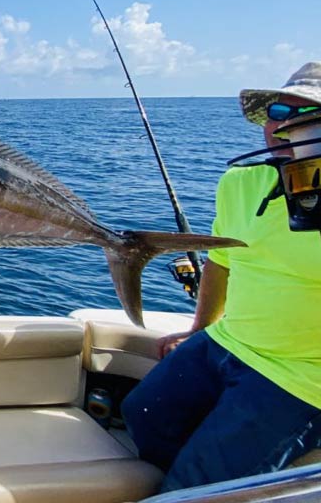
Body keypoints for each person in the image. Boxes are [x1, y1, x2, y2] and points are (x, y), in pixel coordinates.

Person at [122, 62, 321, 492]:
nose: (279, 126)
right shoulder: (240, 181)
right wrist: (200, 330)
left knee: (199, 483)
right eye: (276, 111)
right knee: (142, 416)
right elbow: (220, 262)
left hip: (304, 377)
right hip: (228, 343)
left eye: (303, 114)